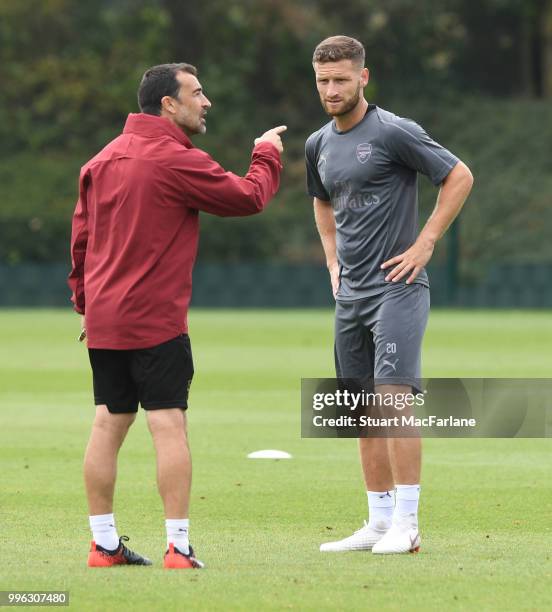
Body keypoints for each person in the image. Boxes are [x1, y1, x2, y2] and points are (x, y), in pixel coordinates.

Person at [68, 62, 286, 569]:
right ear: (169, 103)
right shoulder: (173, 158)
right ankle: (179, 547)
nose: (205, 101)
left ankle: (103, 545)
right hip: (157, 323)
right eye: (197, 92)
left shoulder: (100, 160)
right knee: (168, 425)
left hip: (105, 321)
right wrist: (266, 155)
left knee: (107, 423)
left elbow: (80, 241)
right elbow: (248, 197)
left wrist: (86, 304)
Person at [305, 36, 473, 554]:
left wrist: (424, 245)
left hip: (397, 288)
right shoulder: (317, 144)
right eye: (323, 81)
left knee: (392, 400)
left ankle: (408, 523)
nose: (331, 90)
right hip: (350, 295)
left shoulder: (395, 131)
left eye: (340, 79)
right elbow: (322, 203)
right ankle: (377, 523)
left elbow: (459, 175)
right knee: (358, 408)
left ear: (363, 77)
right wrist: (332, 262)